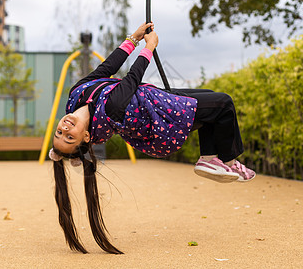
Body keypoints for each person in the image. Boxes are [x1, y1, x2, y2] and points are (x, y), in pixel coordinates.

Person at [50, 22, 256, 254]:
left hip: (157, 100)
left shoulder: (77, 94)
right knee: (224, 103)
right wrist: (150, 46)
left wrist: (133, 38)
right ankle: (228, 161)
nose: (65, 128)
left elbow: (107, 68)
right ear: (86, 137)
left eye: (60, 133)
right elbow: (132, 78)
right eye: (69, 138)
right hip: (163, 120)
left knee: (211, 102)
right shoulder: (110, 110)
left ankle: (209, 158)